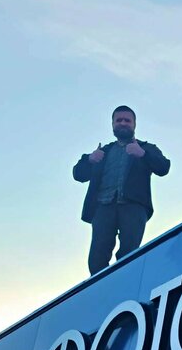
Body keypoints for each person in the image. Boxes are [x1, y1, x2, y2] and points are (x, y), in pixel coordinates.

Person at [73, 105, 171, 275]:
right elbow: (78, 174)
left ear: (134, 124)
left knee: (129, 254)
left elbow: (164, 167)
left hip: (133, 206)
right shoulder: (103, 152)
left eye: (127, 120)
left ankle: (125, 284)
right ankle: (101, 287)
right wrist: (90, 159)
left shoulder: (146, 148)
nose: (123, 123)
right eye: (119, 120)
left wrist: (143, 154)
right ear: (113, 124)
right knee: (97, 257)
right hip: (103, 207)